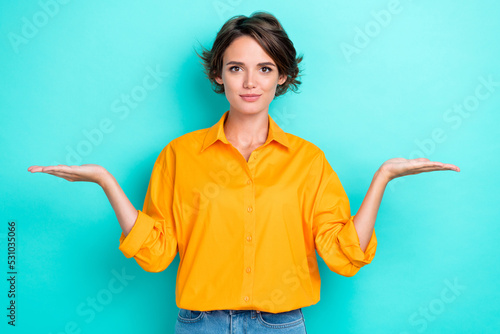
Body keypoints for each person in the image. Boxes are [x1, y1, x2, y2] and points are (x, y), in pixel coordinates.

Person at [28, 11, 460, 334]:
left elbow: (343, 255)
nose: (250, 81)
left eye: (265, 68)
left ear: (283, 77)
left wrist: (382, 177)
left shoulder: (309, 161)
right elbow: (157, 253)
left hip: (281, 325)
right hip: (199, 324)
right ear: (219, 74)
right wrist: (106, 181)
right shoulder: (179, 156)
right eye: (236, 67)